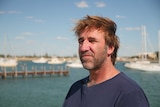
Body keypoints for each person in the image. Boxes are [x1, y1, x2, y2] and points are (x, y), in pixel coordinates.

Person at [62, 15, 149, 107]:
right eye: (81, 41)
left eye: (92, 41)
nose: (83, 48)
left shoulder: (129, 94)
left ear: (110, 48)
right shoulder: (75, 88)